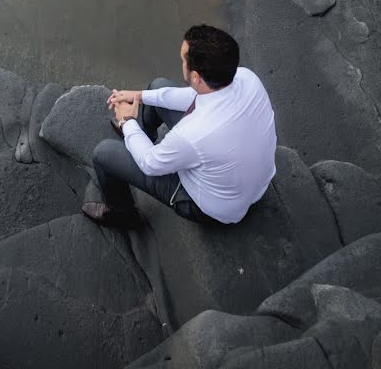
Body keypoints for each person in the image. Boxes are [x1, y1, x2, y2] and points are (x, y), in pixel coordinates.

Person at [81, 25, 277, 227]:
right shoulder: (247, 78)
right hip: (253, 184)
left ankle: (124, 214)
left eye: (184, 60)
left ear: (196, 77)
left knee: (102, 154)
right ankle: (141, 138)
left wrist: (127, 122)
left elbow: (151, 164)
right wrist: (139, 96)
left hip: (214, 208)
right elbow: (194, 96)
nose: (181, 63)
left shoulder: (191, 134)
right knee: (158, 87)